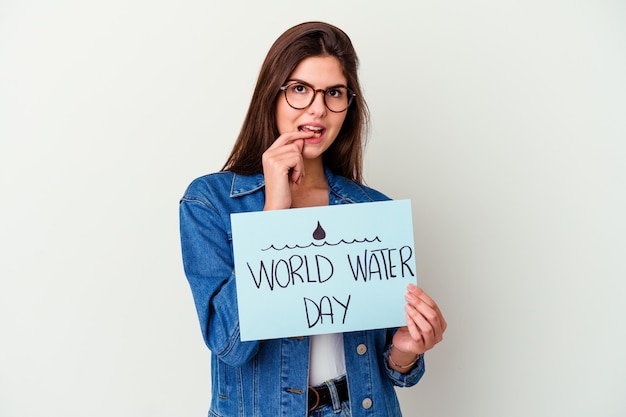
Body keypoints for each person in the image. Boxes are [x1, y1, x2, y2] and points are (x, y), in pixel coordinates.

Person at [179, 21, 447, 417]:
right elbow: (229, 344)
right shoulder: (210, 202)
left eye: (334, 93)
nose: (318, 108)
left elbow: (392, 368)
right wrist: (274, 213)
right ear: (272, 95)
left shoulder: (373, 212)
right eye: (300, 89)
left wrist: (405, 351)